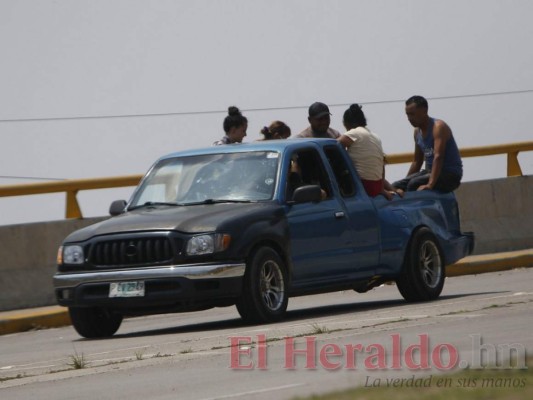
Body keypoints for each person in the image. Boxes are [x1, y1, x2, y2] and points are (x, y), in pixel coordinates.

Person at [392, 96, 463, 192]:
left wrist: (430, 184)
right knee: (396, 186)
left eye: (412, 114)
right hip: (429, 173)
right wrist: (404, 183)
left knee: (414, 184)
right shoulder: (417, 132)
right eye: (407, 115)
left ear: (424, 111)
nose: (409, 118)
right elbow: (417, 162)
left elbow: (438, 157)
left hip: (449, 175)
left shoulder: (438, 127)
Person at [337, 104, 396, 199]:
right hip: (376, 187)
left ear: (346, 123)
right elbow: (382, 164)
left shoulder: (354, 133)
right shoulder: (376, 137)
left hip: (361, 186)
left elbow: (334, 147)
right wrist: (381, 189)